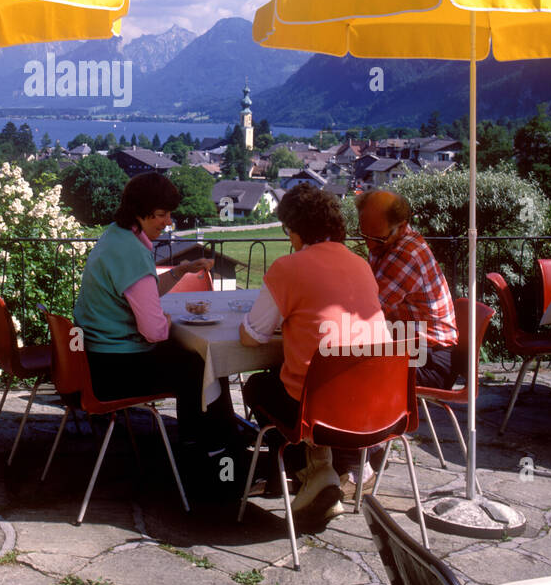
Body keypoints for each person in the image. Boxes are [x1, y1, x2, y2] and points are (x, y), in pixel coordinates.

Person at [239, 185, 391, 520]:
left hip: (317, 411)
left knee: (258, 387)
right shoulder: (361, 265)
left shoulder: (288, 268)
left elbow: (252, 336)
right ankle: (327, 470)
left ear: (294, 230)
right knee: (317, 385)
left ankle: (311, 473)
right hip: (375, 407)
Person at [72, 173, 235, 475]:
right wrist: (167, 322)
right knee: (202, 364)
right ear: (139, 211)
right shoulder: (132, 252)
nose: (167, 221)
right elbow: (154, 331)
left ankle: (215, 439)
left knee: (197, 361)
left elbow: (140, 290)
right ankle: (209, 450)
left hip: (94, 359)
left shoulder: (116, 236)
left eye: (169, 213)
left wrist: (181, 271)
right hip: (113, 370)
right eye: (161, 214)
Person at [355, 189, 457, 389]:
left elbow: (368, 313)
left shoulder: (405, 255)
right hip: (417, 350)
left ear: (401, 227)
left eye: (376, 239)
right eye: (363, 235)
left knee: (349, 372)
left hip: (432, 363)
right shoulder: (385, 243)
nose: (369, 245)